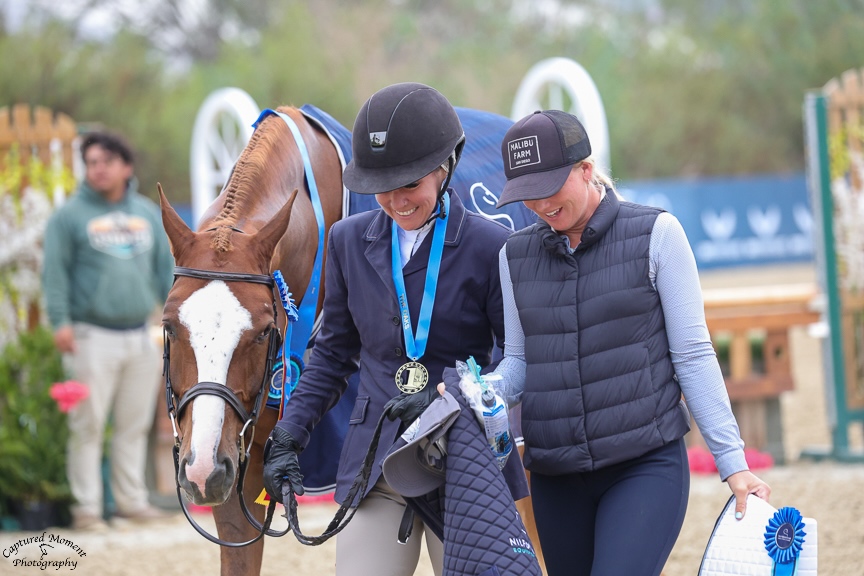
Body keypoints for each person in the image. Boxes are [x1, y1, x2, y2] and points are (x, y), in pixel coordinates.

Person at [490, 110, 771, 576]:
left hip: (644, 466)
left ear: (585, 168)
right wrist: (482, 393)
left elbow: (693, 356)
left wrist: (733, 462)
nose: (539, 205)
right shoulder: (512, 256)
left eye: (548, 188)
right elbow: (519, 363)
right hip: (556, 478)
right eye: (526, 195)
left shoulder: (658, 235)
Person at [262, 82, 524, 576]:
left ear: (446, 168)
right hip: (379, 456)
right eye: (382, 187)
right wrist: (288, 436)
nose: (396, 201)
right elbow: (334, 355)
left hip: (463, 455)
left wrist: (458, 399)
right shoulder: (345, 242)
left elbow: (512, 359)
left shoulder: (491, 246)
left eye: (409, 185)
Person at [42, 131, 174, 531]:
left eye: (106, 161)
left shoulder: (147, 213)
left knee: (133, 424)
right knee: (88, 424)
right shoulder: (69, 216)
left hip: (140, 334)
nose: (98, 169)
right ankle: (87, 509)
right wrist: (60, 321)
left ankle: (131, 502)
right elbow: (55, 273)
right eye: (92, 162)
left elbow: (164, 270)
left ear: (126, 167)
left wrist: (171, 317)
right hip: (89, 335)